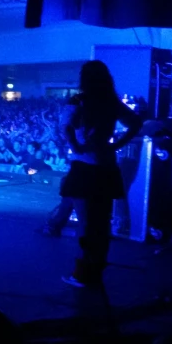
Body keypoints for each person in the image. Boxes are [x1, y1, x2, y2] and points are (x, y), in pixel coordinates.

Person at [59, 60, 142, 288]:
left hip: (85, 166)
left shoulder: (79, 101)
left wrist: (76, 146)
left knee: (85, 223)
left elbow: (66, 127)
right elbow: (135, 123)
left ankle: (83, 273)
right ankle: (96, 270)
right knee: (101, 222)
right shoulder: (111, 102)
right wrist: (117, 145)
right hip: (106, 166)